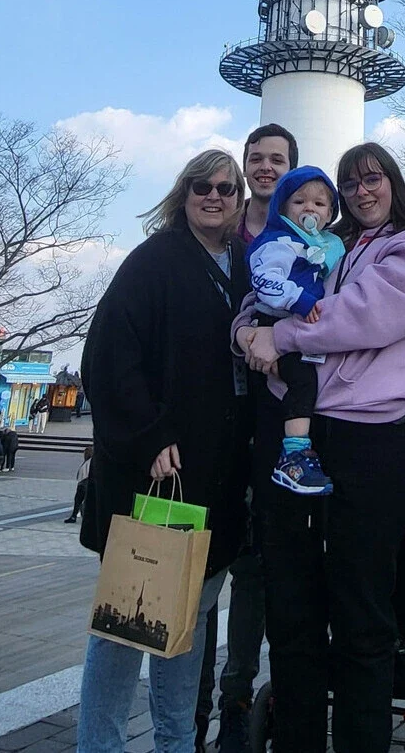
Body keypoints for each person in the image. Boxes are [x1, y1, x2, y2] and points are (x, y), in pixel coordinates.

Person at [236, 142, 405, 753]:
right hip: (299, 428)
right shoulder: (326, 243)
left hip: (370, 438)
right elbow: (265, 296)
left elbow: (363, 312)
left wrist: (277, 335)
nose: (361, 191)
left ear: (393, 183)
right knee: (293, 605)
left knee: (362, 610)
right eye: (349, 182)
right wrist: (246, 332)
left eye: (372, 179)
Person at [77, 149, 253, 753]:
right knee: (128, 621)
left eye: (227, 189)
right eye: (203, 186)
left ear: (240, 200)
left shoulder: (244, 267)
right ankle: (99, 744)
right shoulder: (153, 261)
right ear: (184, 193)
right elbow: (106, 358)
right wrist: (150, 435)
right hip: (155, 478)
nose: (215, 196)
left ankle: (177, 742)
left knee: (188, 619)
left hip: (217, 479)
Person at [195, 124, 300, 753]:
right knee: (202, 575)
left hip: (274, 421)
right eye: (256, 159)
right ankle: (193, 708)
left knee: (257, 573)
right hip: (215, 428)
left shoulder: (306, 238)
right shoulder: (221, 241)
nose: (265, 169)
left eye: (277, 160)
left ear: (292, 168)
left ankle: (236, 701)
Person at [246, 166, 345, 496]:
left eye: (320, 204)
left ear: (331, 213)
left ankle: (299, 450)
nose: (310, 209)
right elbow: (264, 281)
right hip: (274, 322)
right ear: (282, 208)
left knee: (306, 385)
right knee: (302, 383)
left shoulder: (321, 244)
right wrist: (297, 298)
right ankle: (294, 455)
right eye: (299, 201)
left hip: (298, 326)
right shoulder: (279, 242)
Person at [65, 445, 93, 524]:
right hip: (85, 483)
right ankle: (78, 516)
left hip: (84, 483)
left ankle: (75, 516)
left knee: (79, 500)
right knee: (81, 501)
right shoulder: (90, 462)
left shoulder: (88, 462)